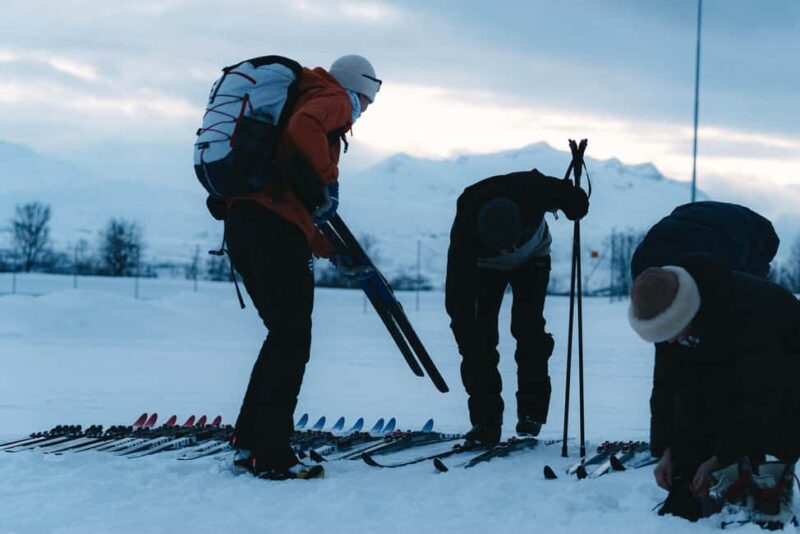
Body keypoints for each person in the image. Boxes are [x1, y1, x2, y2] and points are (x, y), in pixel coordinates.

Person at [224, 55, 380, 479]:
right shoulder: (334, 99)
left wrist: (326, 247)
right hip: (271, 230)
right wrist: (327, 179)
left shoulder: (299, 98)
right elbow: (303, 127)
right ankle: (272, 454)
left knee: (284, 335)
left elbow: (286, 202)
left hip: (245, 225)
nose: (367, 107)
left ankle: (250, 441)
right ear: (360, 86)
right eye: (372, 94)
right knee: (293, 338)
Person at [629, 248, 800, 525]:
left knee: (773, 432)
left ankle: (766, 494)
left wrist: (722, 457)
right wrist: (667, 449)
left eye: (671, 333)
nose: (668, 343)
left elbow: (761, 397)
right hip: (744, 368)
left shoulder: (750, 314)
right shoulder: (668, 313)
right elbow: (667, 386)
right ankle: (703, 488)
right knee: (696, 400)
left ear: (685, 315)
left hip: (787, 371)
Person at [445, 169, 589, 446]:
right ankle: (486, 421)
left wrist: (575, 203)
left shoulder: (535, 189)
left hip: (533, 257)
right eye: (500, 248)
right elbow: (458, 303)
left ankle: (532, 413)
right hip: (483, 269)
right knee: (479, 338)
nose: (506, 252)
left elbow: (573, 198)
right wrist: (466, 332)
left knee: (528, 327)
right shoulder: (465, 233)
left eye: (511, 244)